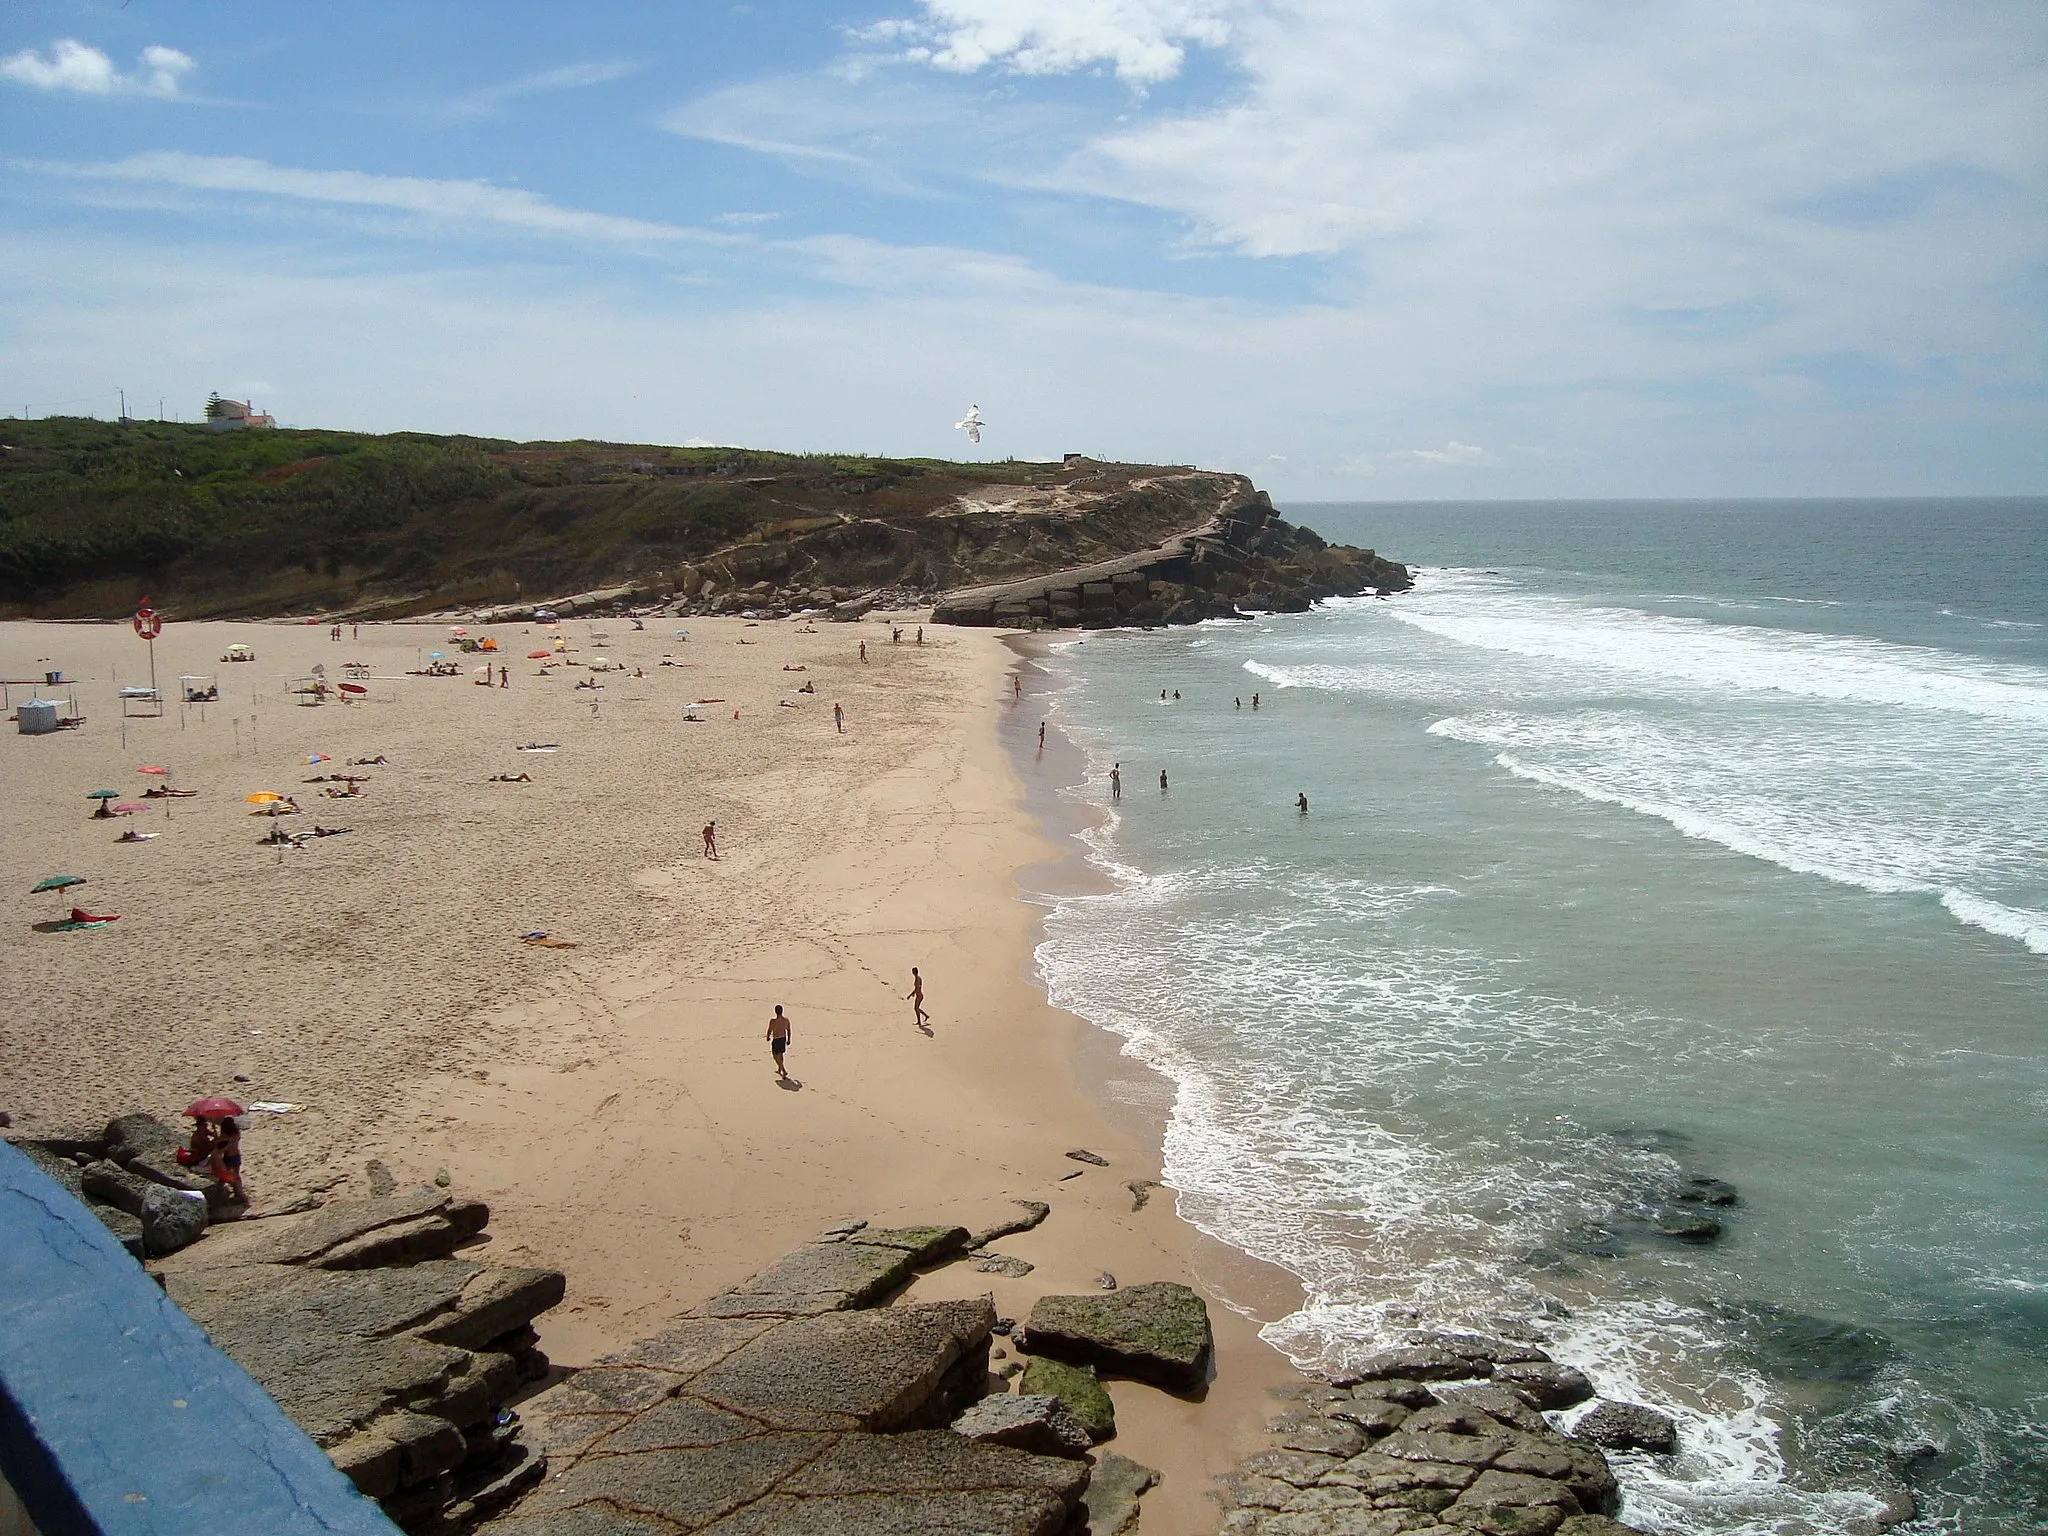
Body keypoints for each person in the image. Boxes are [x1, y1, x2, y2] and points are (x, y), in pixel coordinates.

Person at [209, 1116, 246, 1203]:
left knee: (230, 1177)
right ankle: (238, 1192)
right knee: (236, 1175)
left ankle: (239, 1194)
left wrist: (215, 1132)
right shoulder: (237, 1134)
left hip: (229, 1158)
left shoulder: (225, 1136)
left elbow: (220, 1144)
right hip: (237, 1155)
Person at [766, 1005, 792, 1079]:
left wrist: (768, 1037)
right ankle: (780, 1069)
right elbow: (789, 1030)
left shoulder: (773, 1021)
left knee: (775, 1056)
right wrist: (789, 1039)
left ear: (775, 1011)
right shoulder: (786, 1020)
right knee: (780, 1055)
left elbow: (769, 1030)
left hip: (776, 1039)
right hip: (783, 1038)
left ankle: (783, 1070)